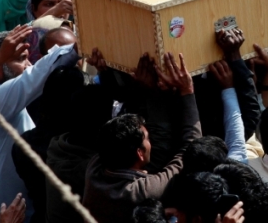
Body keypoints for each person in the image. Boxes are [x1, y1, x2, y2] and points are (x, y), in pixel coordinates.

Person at [0, 32, 78, 223]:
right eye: (21, 59)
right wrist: (76, 47)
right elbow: (37, 75)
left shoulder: (5, 104)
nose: (29, 66)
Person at [82, 53, 201, 223]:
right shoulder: (142, 191)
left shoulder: (94, 171)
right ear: (139, 153)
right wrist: (187, 91)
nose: (151, 140)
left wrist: (137, 86)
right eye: (147, 138)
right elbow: (190, 150)